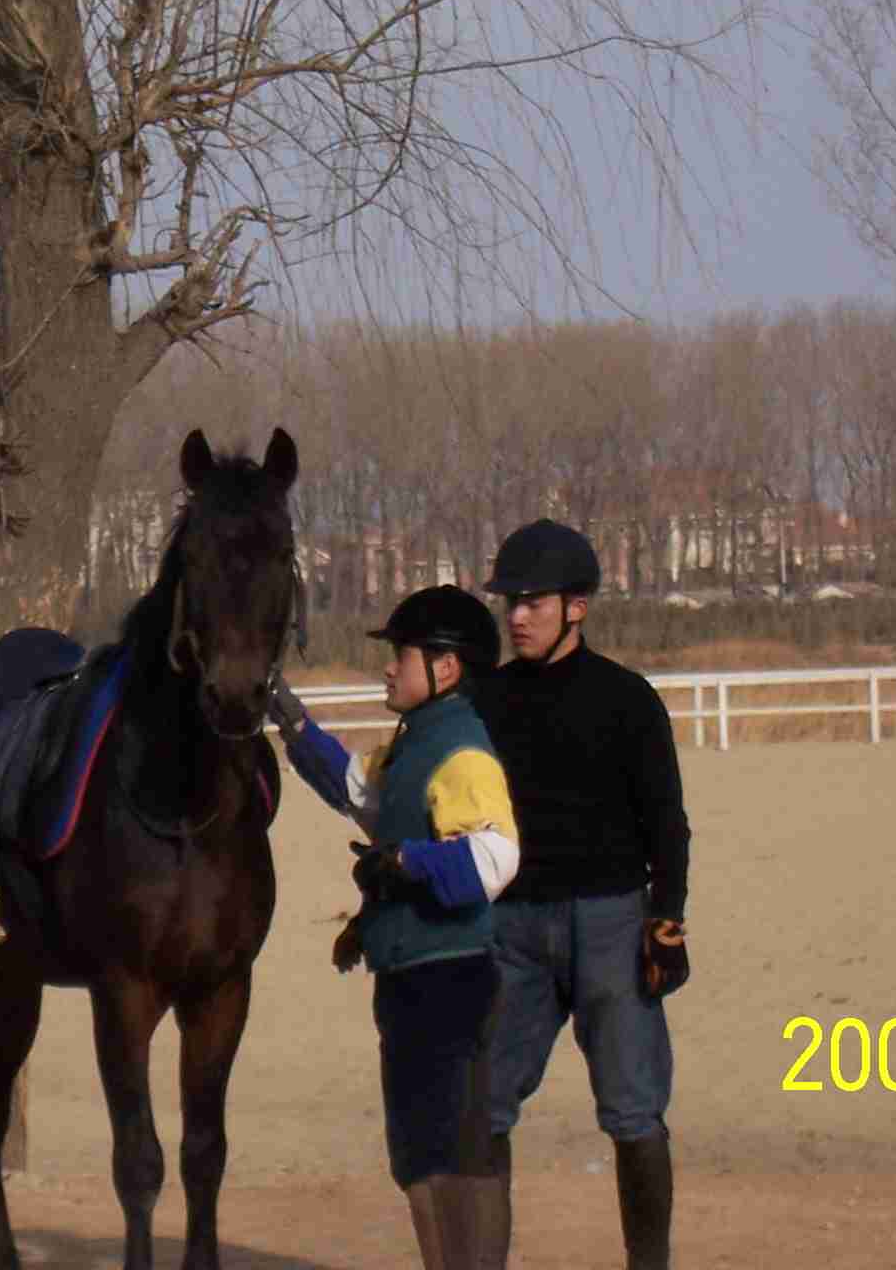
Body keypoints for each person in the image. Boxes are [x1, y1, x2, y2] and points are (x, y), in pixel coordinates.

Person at [268, 584, 519, 1270]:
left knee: (454, 1155)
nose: (387, 668)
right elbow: (364, 796)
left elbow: (497, 857)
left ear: (446, 667)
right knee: (417, 1157)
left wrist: (409, 863)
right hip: (410, 977)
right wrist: (292, 724)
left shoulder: (462, 748)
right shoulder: (417, 744)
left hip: (451, 978)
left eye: (400, 655)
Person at [475, 519, 691, 1270]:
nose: (519, 615)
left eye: (534, 600)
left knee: (635, 1116)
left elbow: (668, 821)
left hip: (611, 925)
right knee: (481, 1112)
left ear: (579, 607)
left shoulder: (628, 701)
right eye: (511, 601)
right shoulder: (484, 701)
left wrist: (667, 920)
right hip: (510, 932)